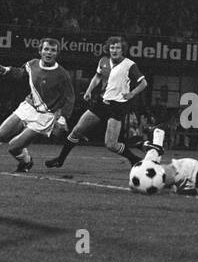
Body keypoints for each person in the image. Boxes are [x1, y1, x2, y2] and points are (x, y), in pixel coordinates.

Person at [0, 38, 74, 171]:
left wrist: (63, 117)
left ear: (57, 53)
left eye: (53, 50)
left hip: (45, 117)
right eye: (46, 49)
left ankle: (26, 161)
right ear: (40, 51)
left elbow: (70, 97)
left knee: (14, 147)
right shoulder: (32, 64)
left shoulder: (62, 74)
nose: (49, 53)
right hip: (28, 107)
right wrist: (5, 70)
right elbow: (21, 73)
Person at [45, 35, 147, 168]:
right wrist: (89, 90)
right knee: (76, 130)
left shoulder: (129, 65)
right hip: (101, 102)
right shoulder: (103, 61)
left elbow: (143, 83)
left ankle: (134, 159)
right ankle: (60, 160)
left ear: (123, 50)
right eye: (112, 47)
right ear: (108, 49)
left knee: (111, 144)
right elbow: (97, 76)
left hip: (118, 106)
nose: (114, 50)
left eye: (117, 48)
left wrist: (132, 93)